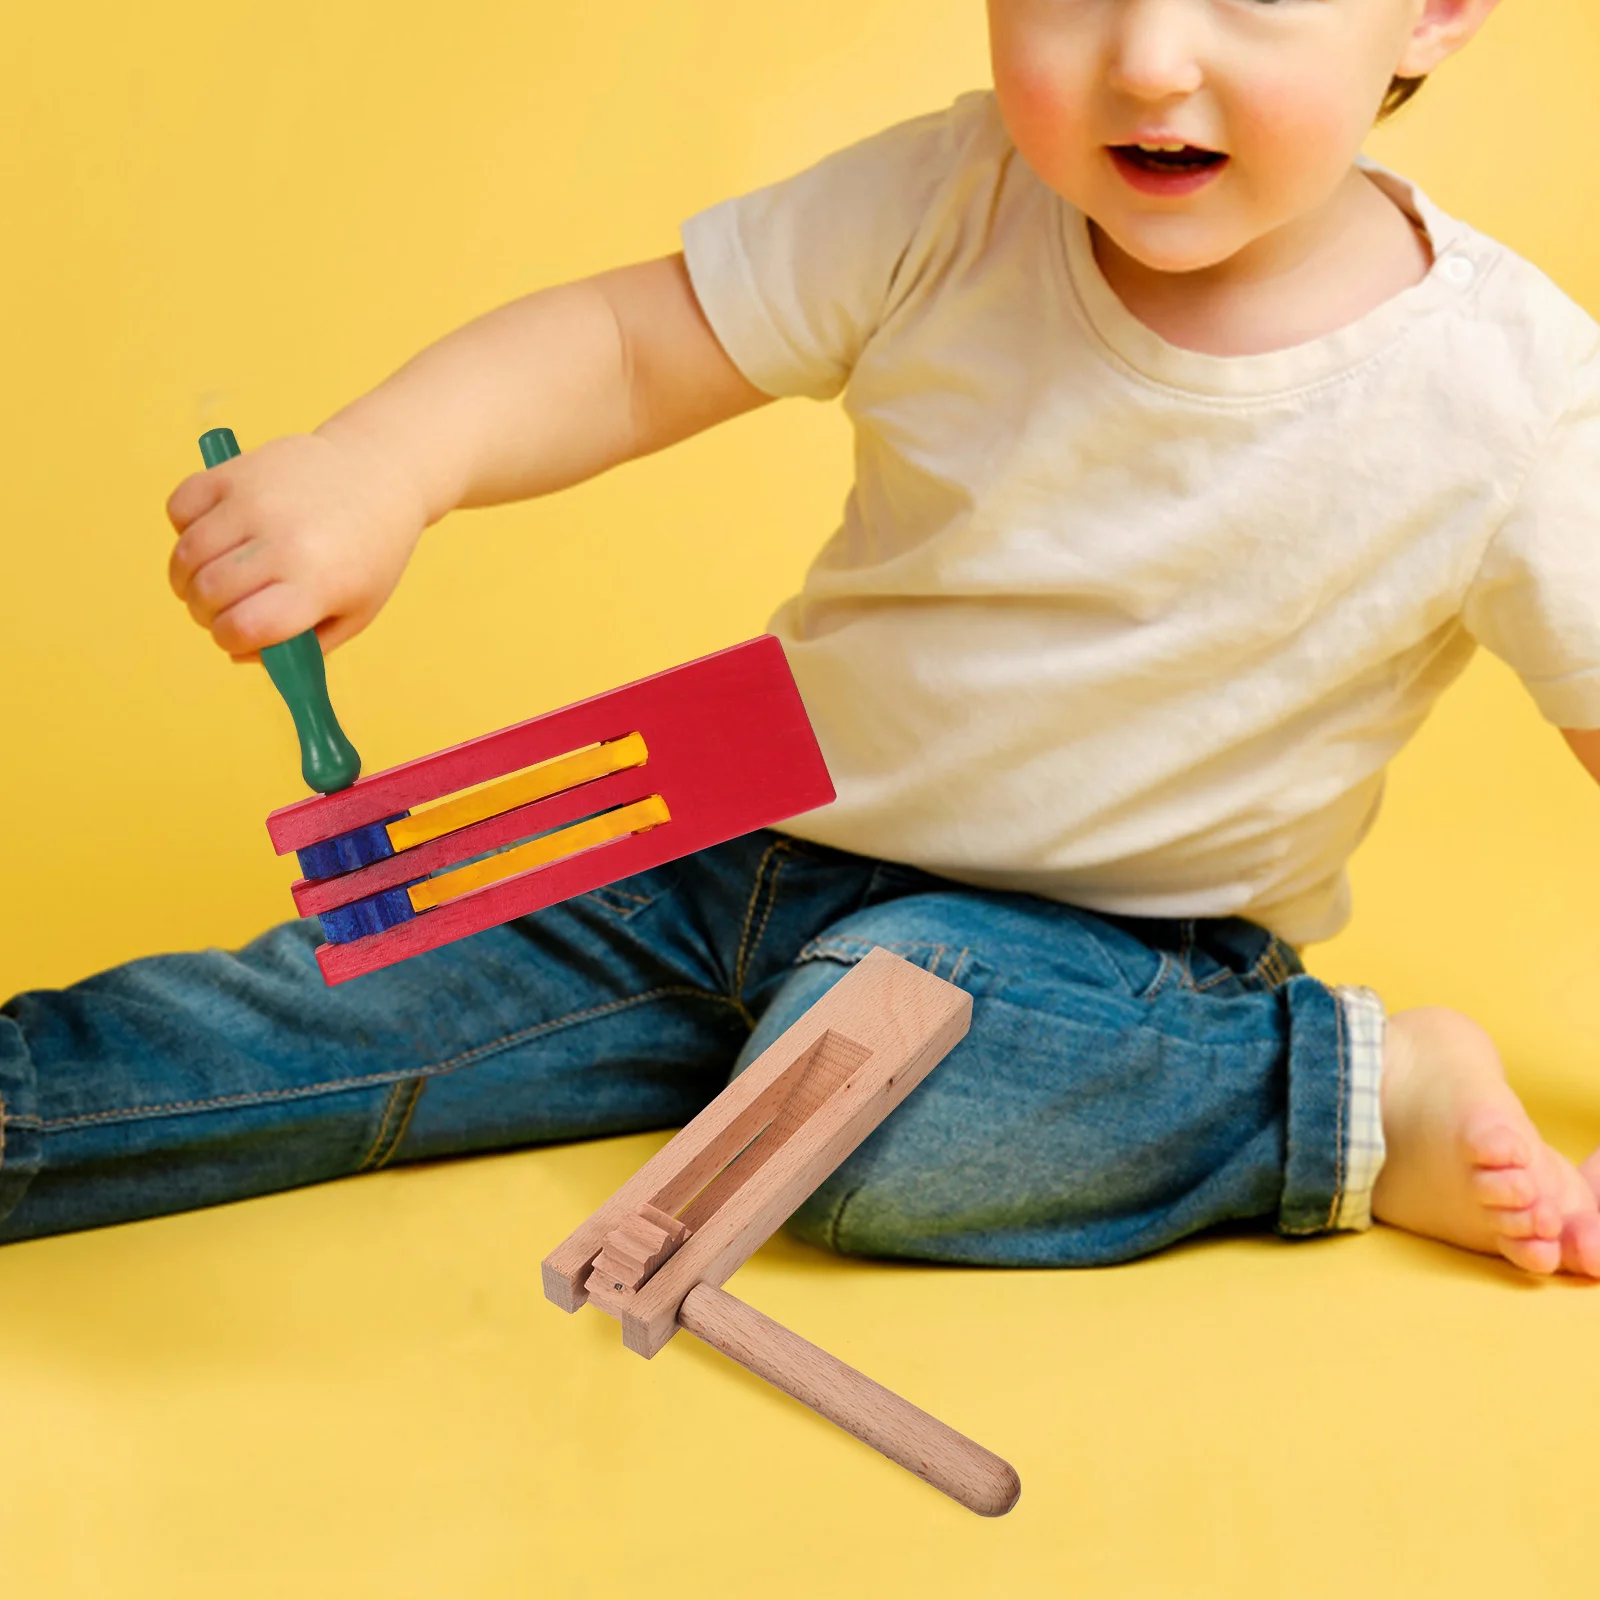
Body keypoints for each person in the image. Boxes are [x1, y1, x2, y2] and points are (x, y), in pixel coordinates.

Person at [5, 0, 1600, 1278]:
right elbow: (637, 347)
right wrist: (383, 468)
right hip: (728, 838)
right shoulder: (949, 195)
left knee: (862, 1118)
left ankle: (1338, 1094)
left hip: (1110, 967)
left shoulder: (1512, 397)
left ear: (1435, 10)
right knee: (315, 998)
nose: (1146, 55)